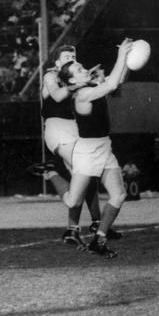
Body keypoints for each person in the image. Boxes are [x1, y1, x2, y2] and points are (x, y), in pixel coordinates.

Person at [28, 45, 121, 248]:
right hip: (57, 128)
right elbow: (58, 96)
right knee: (84, 172)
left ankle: (84, 226)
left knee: (87, 175)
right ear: (57, 61)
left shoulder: (78, 75)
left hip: (75, 129)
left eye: (74, 56)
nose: (72, 58)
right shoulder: (52, 76)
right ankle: (84, 224)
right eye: (67, 56)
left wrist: (99, 79)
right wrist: (84, 81)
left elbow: (106, 92)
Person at [58, 38, 133, 258]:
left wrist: (128, 59)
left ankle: (99, 240)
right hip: (87, 152)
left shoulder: (91, 86)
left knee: (118, 195)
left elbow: (118, 80)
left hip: (104, 147)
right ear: (73, 79)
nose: (84, 68)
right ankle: (51, 173)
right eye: (79, 69)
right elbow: (110, 85)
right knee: (72, 201)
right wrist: (120, 57)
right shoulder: (81, 95)